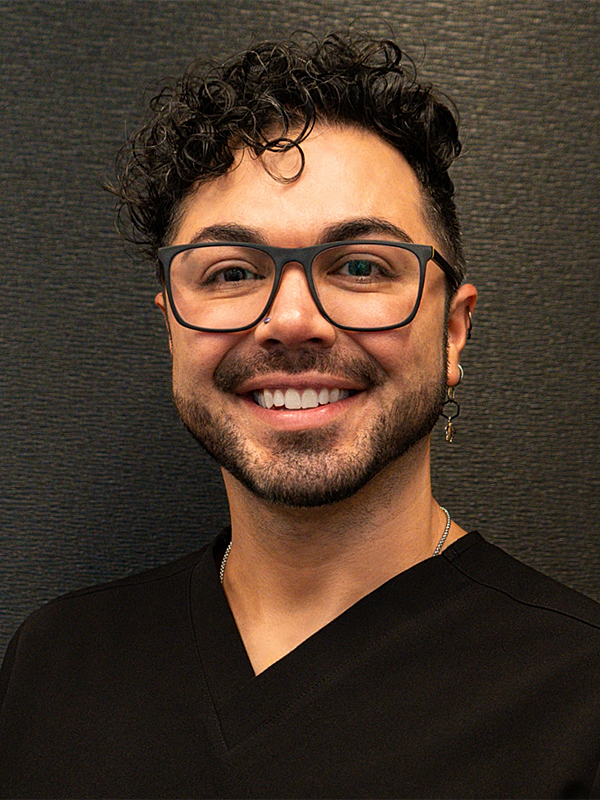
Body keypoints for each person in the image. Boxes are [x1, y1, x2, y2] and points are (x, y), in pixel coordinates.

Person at [1, 31, 599, 800]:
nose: (290, 320)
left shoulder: (578, 698)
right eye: (230, 272)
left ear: (453, 331)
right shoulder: (56, 664)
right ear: (172, 329)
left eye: (359, 266)